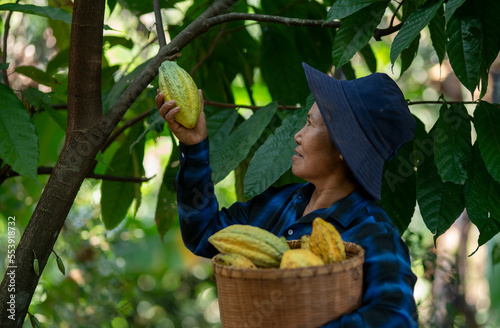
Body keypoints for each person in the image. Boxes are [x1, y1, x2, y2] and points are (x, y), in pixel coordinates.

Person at [155, 62, 418, 327]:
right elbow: (204, 233)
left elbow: (398, 317)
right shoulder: (279, 203)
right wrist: (195, 145)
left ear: (343, 147)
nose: (297, 135)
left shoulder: (375, 235)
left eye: (310, 124)